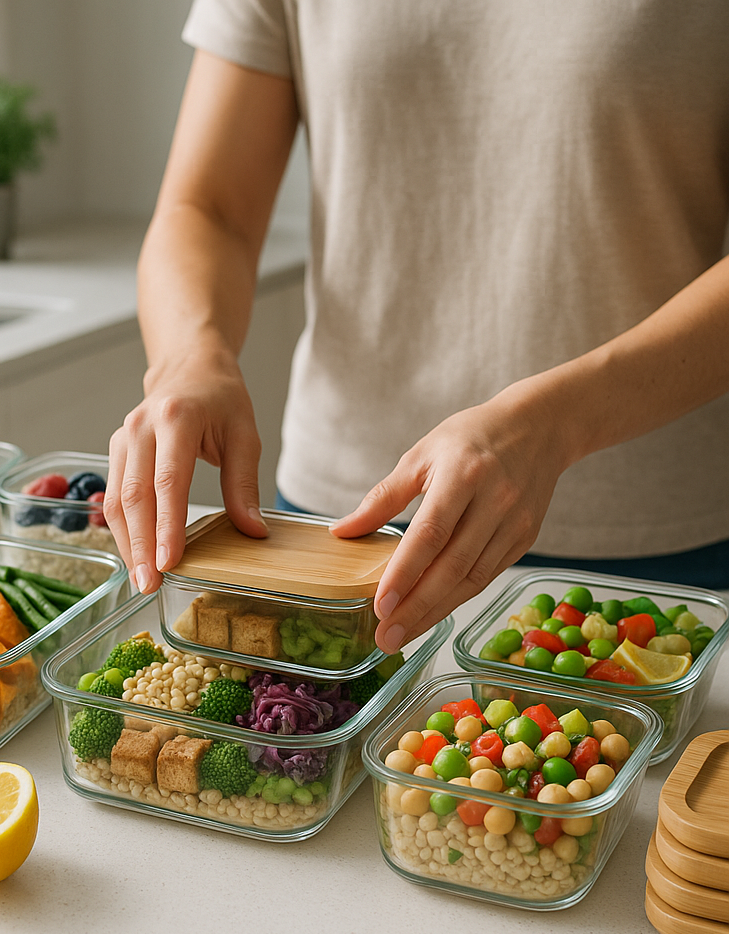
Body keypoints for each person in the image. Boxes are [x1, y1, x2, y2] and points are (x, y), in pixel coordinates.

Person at [104, 0, 729, 656]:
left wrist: (557, 422)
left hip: (648, 553)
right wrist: (189, 358)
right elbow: (209, 207)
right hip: (330, 536)